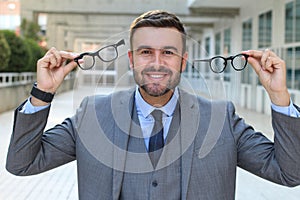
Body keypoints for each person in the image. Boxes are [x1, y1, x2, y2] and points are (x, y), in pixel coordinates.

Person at [6, 10, 300, 200]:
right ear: (132, 60)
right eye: (146, 52)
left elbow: (290, 173)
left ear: (183, 61)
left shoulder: (221, 119)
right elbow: (22, 164)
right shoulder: (93, 116)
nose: (157, 63)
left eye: (168, 52)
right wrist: (42, 93)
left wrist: (279, 98)